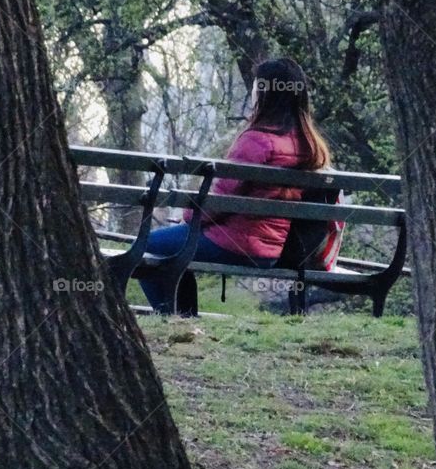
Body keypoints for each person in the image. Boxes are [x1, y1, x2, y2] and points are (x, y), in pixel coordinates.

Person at [139, 57, 331, 313]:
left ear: (265, 93)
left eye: (255, 86)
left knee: (149, 245)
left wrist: (189, 218)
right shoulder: (308, 144)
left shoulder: (256, 141)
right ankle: (182, 320)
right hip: (273, 247)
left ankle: (172, 318)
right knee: (173, 246)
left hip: (237, 243)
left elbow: (218, 201)